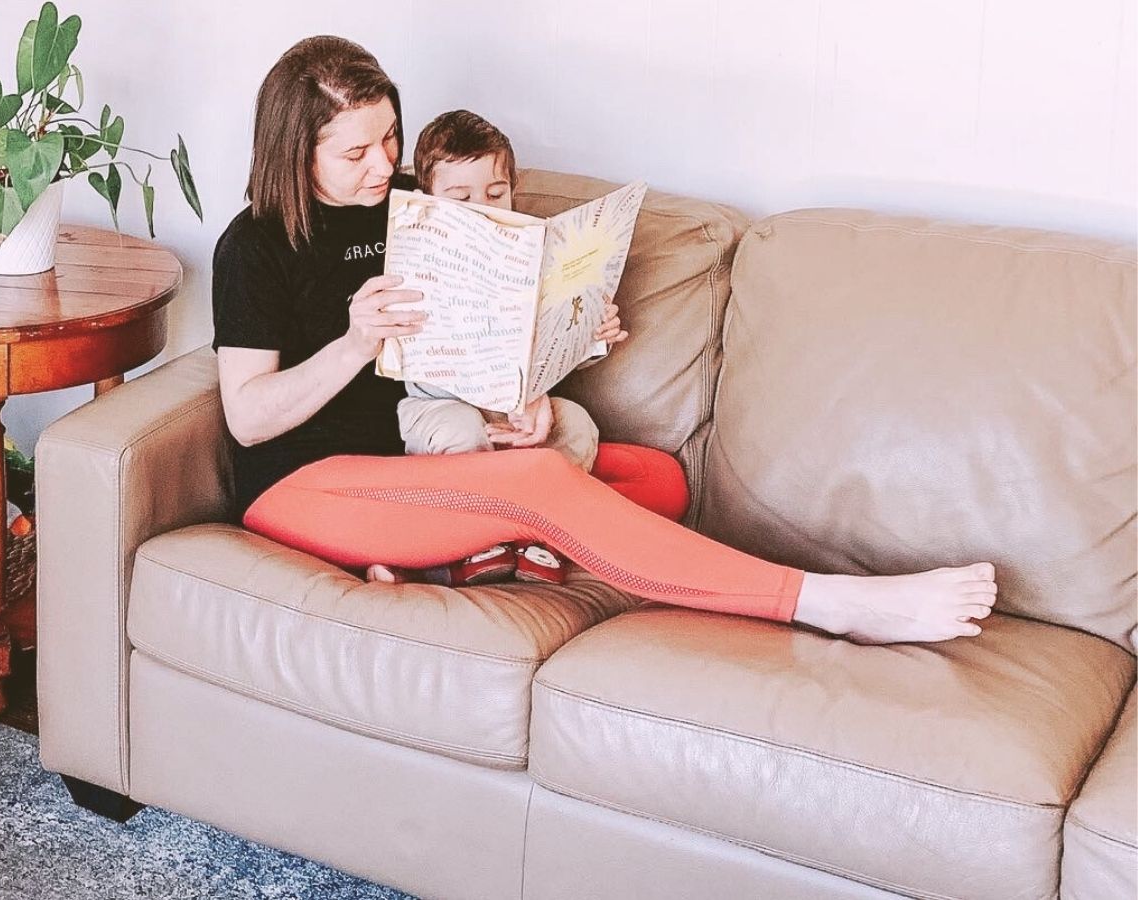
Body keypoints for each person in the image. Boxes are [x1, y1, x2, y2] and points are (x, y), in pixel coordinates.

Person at [214, 34, 999, 645]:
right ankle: (828, 605)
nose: (385, 164)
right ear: (296, 151)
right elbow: (248, 418)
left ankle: (456, 560)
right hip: (307, 482)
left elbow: (484, 326)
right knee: (550, 489)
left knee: (658, 480)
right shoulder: (253, 246)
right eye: (355, 152)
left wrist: (567, 333)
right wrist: (354, 341)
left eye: (390, 137)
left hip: (424, 452)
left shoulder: (425, 205)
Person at [390, 109, 625, 586]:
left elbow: (553, 341)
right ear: (427, 201)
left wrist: (592, 333)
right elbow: (425, 361)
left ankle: (541, 535)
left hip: (518, 407)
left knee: (578, 424)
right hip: (437, 405)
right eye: (461, 197)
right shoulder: (416, 260)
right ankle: (470, 543)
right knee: (460, 431)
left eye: (497, 194)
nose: (485, 207)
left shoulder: (531, 253)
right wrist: (515, 398)